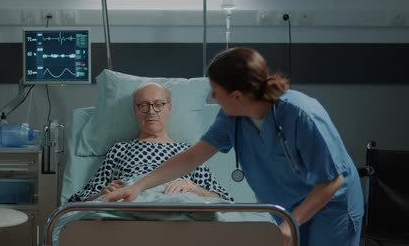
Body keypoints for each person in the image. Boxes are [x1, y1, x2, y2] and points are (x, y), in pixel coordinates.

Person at [102, 47, 364, 246]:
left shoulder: (301, 114)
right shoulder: (232, 117)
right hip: (286, 207)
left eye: (216, 91)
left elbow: (332, 180)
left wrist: (290, 222)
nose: (213, 97)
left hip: (330, 207)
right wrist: (137, 186)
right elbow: (192, 157)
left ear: (237, 96)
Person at [68, 82, 233, 203]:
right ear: (135, 110)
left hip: (176, 201)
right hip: (129, 201)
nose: (151, 111)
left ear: (169, 108)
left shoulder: (188, 153)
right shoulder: (120, 149)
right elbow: (82, 198)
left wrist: (195, 189)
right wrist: (103, 193)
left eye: (158, 104)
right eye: (143, 105)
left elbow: (223, 199)